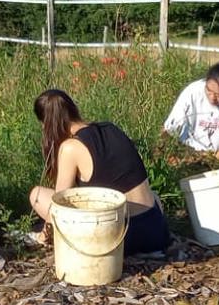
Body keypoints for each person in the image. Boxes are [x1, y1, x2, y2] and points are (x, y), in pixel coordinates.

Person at [29, 89, 174, 256]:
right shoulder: (111, 128)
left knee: (37, 195)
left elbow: (59, 206)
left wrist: (43, 237)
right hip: (155, 229)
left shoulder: (70, 147)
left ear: (46, 124)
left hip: (120, 238)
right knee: (151, 194)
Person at [162, 60, 219, 162]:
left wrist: (203, 158)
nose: (212, 98)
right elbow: (169, 130)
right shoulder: (193, 91)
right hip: (187, 150)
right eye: (208, 90)